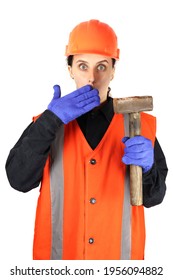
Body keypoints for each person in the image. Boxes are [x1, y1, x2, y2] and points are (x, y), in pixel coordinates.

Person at [5, 19, 168, 260]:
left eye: (102, 66)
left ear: (114, 70)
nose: (92, 77)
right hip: (59, 265)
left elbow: (154, 198)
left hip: (119, 266)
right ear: (69, 69)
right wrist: (50, 120)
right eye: (82, 66)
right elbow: (18, 180)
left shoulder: (140, 126)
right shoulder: (46, 124)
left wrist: (148, 169)